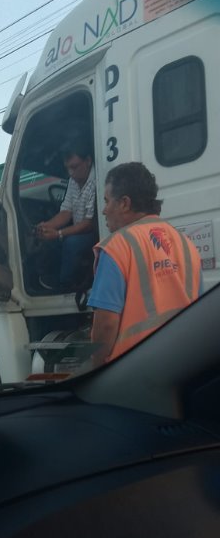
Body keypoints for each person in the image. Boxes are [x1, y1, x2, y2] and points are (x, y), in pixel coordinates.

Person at [87, 162, 201, 368]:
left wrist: (96, 368)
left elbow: (105, 324)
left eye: (106, 201)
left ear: (124, 203)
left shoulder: (116, 247)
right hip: (185, 359)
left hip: (134, 368)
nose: (103, 210)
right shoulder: (186, 244)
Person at [34, 142, 99, 292]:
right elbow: (66, 211)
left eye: (75, 167)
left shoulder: (96, 180)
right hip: (80, 227)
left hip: (93, 232)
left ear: (88, 161)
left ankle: (65, 284)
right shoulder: (73, 181)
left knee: (72, 243)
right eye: (68, 168)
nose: (70, 173)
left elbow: (89, 224)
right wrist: (47, 226)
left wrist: (58, 233)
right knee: (50, 241)